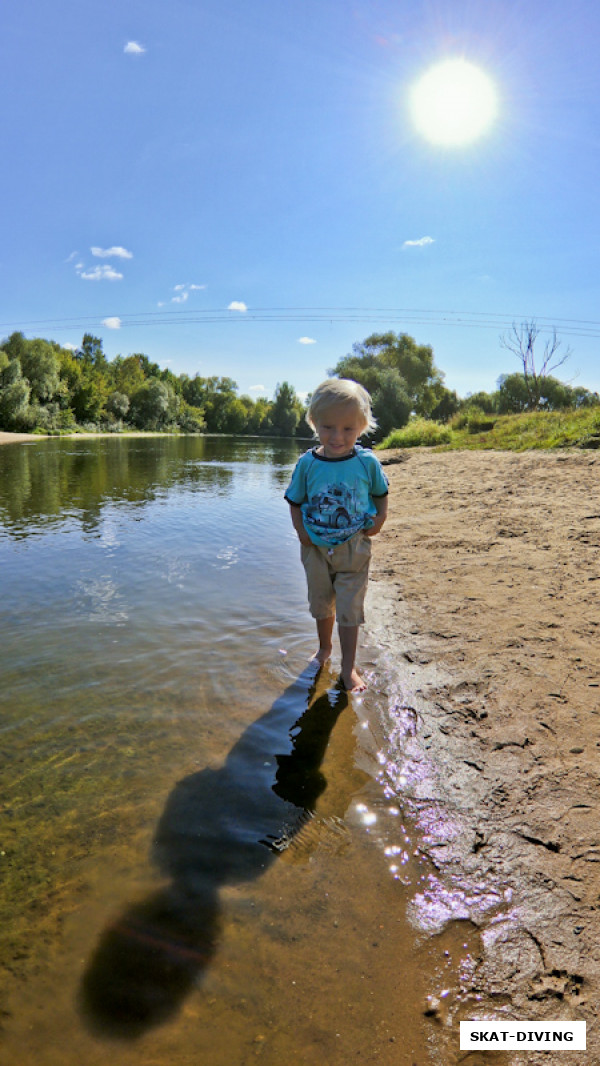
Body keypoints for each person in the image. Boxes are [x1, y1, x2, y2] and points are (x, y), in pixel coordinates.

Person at [285, 378, 389, 692]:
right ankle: (324, 648)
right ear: (314, 423)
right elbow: (295, 500)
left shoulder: (366, 462)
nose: (337, 436)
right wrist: (300, 531)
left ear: (362, 427)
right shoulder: (307, 463)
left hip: (354, 546)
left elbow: (381, 493)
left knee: (349, 608)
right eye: (328, 427)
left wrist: (381, 517)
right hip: (315, 548)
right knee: (321, 603)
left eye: (348, 429)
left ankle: (348, 669)